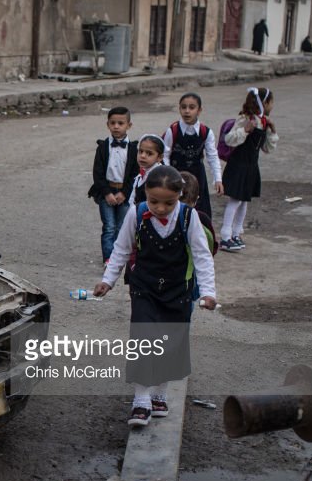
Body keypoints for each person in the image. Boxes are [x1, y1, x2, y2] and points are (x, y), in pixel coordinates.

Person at [93, 165, 217, 427]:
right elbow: (122, 248)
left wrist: (208, 292)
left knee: (170, 342)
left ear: (180, 196)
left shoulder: (188, 217)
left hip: (178, 291)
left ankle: (160, 394)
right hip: (145, 288)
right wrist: (108, 280)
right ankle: (141, 400)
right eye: (154, 201)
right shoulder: (136, 214)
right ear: (145, 195)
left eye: (168, 203)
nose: (160, 208)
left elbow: (202, 255)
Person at [219, 87, 278, 252]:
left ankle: (236, 233)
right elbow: (229, 139)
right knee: (235, 200)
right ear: (264, 103)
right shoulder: (245, 119)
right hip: (238, 165)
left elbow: (267, 148)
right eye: (271, 102)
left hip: (251, 166)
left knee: (244, 200)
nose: (272, 106)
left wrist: (272, 131)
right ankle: (225, 236)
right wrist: (245, 130)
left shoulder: (264, 122)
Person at [88, 106, 140, 264]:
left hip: (125, 194)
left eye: (120, 123)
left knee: (122, 227)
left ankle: (120, 256)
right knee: (109, 226)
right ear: (107, 124)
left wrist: (124, 193)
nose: (116, 126)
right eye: (113, 123)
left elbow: (135, 174)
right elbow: (97, 173)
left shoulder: (133, 149)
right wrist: (107, 193)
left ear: (129, 126)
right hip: (106, 192)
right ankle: (108, 258)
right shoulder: (103, 147)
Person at [162, 92, 223, 219]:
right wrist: (169, 174)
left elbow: (212, 156)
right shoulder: (172, 130)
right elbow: (165, 155)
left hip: (198, 177)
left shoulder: (206, 132)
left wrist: (218, 179)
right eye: (183, 107)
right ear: (179, 109)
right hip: (176, 175)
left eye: (191, 107)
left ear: (199, 110)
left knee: (200, 212)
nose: (187, 111)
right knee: (175, 211)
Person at [180, 170, 218, 311]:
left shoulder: (200, 220)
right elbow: (211, 248)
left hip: (190, 277)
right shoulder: (203, 218)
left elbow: (207, 251)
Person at [128, 134, 165, 207]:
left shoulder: (160, 177)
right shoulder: (140, 175)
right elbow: (132, 200)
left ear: (160, 157)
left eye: (149, 153)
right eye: (140, 151)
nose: (143, 156)